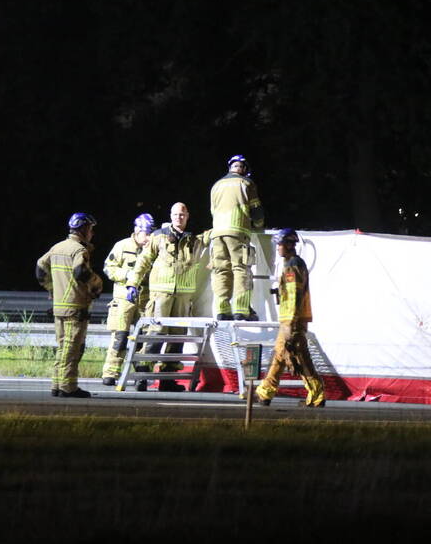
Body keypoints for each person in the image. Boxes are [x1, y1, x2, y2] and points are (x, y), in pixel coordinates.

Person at [125, 202, 203, 392]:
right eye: (176, 214)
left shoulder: (193, 239)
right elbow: (144, 260)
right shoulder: (159, 236)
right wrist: (132, 283)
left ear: (188, 216)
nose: (179, 217)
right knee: (155, 335)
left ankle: (168, 379)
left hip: (183, 296)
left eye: (182, 214)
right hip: (161, 293)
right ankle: (143, 376)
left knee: (177, 338)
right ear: (170, 215)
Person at [35, 212, 104, 398]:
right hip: (75, 307)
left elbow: (40, 270)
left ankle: (57, 385)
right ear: (83, 229)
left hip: (59, 306)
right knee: (72, 349)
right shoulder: (79, 250)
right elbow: (81, 272)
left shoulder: (56, 248)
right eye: (90, 229)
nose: (92, 233)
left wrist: (52, 290)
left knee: (62, 347)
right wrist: (97, 284)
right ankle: (68, 387)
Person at [255, 229, 325, 407]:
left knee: (299, 357)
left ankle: (317, 394)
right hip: (289, 320)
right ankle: (265, 392)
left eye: (279, 244)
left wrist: (290, 324)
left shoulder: (292, 265)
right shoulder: (292, 263)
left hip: (292, 321)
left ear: (288, 244)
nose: (277, 248)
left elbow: (294, 295)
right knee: (280, 354)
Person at [100, 213, 154, 386]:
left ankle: (142, 376)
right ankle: (111, 373)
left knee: (144, 339)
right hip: (124, 299)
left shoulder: (153, 248)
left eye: (151, 233)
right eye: (146, 233)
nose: (148, 238)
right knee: (120, 337)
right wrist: (127, 275)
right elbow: (109, 268)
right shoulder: (122, 246)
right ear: (137, 231)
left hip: (145, 300)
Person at [209, 155, 264, 320]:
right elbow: (256, 210)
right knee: (241, 268)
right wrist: (259, 225)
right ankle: (241, 310)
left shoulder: (216, 185)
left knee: (221, 270)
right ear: (244, 169)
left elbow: (213, 210)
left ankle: (222, 310)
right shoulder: (246, 183)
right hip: (238, 231)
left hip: (217, 232)